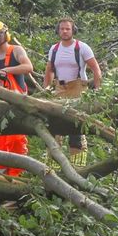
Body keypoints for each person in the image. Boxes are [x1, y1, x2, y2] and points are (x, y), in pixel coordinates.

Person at [42, 17, 102, 162]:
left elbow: (96, 69)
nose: (64, 31)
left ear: (73, 30)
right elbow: (49, 70)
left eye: (67, 28)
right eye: (62, 28)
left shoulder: (82, 47)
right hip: (59, 89)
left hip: (77, 89)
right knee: (54, 128)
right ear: (58, 30)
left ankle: (78, 166)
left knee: (76, 127)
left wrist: (98, 91)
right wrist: (46, 90)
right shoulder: (54, 49)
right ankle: (52, 166)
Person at [0, 20, 34, 176]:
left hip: (17, 106)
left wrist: (6, 70)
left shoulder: (16, 50)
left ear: (5, 34)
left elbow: (28, 67)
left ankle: (16, 179)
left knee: (17, 141)